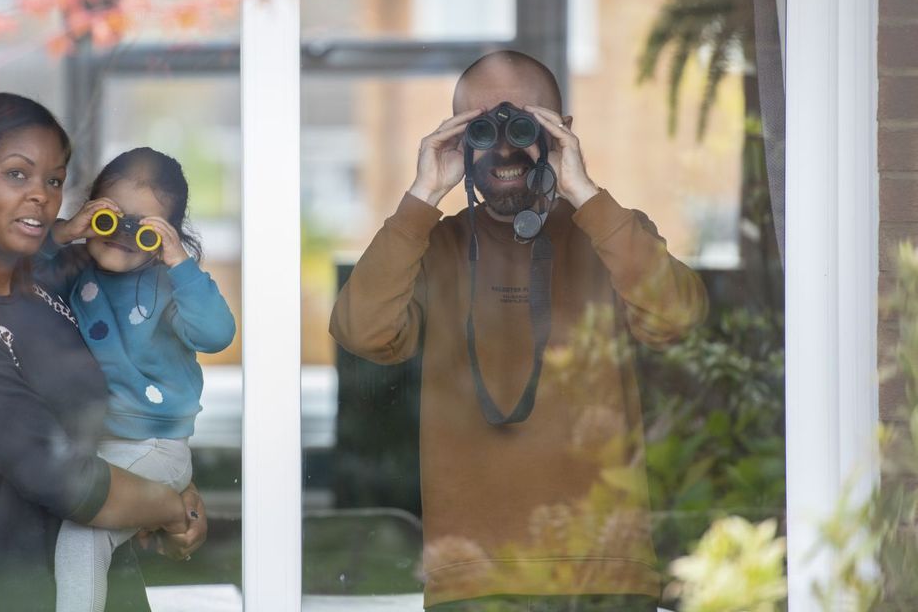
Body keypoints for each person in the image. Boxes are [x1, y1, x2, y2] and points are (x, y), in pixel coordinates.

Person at [330, 51, 708, 611]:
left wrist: (584, 191)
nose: (504, 145)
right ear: (457, 138)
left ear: (561, 131)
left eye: (524, 122)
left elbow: (677, 318)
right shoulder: (431, 247)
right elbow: (363, 332)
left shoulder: (611, 233)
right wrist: (421, 197)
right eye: (481, 127)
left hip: (603, 572)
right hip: (473, 577)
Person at [0, 93, 207, 612]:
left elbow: (115, 407)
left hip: (101, 583)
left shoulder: (45, 292)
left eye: (55, 180)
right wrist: (170, 507)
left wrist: (167, 477)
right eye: (17, 175)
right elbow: (65, 479)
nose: (42, 196)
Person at [38, 147, 236, 612]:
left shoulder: (171, 286)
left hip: (155, 447)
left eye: (144, 228)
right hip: (100, 446)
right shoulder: (75, 271)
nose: (124, 235)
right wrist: (66, 232)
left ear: (169, 234)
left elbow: (217, 334)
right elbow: (15, 277)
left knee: (84, 534)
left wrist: (179, 262)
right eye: (111, 218)